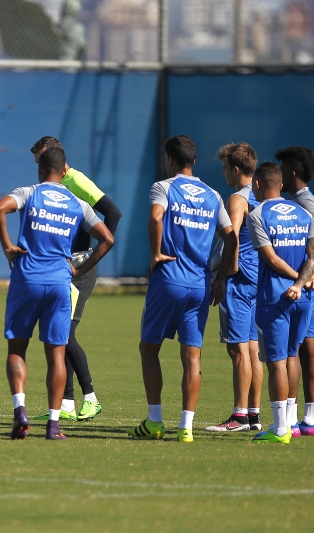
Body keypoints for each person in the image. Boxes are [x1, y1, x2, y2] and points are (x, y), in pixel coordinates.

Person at [0, 147, 114, 440]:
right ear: (63, 171)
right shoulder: (77, 203)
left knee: (17, 349)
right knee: (57, 354)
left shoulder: (30, 192)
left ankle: (20, 410)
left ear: (40, 169)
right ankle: (54, 425)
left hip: (27, 278)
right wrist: (80, 270)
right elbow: (107, 238)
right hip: (60, 282)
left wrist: (8, 247)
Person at [127, 134, 236, 443]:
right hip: (200, 285)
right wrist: (221, 278)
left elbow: (156, 216)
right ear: (194, 161)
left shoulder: (164, 187)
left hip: (168, 279)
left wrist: (155, 254)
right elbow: (231, 237)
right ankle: (186, 427)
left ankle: (155, 421)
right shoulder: (213, 195)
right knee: (192, 356)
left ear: (170, 160)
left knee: (149, 348)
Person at [28, 136, 122, 422]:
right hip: (61, 267)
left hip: (78, 268)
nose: (40, 168)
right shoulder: (51, 186)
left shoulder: (76, 181)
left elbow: (113, 213)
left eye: (42, 161)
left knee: (64, 334)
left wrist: (89, 256)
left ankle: (91, 398)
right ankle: (66, 404)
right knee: (59, 334)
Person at [247, 162, 314, 444]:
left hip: (275, 297)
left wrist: (295, 282)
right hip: (302, 298)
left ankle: (279, 430)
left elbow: (271, 259)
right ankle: (290, 421)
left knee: (276, 362)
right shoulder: (304, 213)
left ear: (257, 184)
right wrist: (303, 283)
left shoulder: (258, 214)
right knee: (292, 356)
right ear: (281, 184)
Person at [278, 146, 314, 438]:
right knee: (307, 348)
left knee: (291, 349)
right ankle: (311, 420)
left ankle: (289, 420)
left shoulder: (302, 200)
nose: (277, 174)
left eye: (281, 169)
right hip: (308, 286)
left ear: (291, 174)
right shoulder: (299, 199)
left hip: (304, 286)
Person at [205, 143, 264, 433]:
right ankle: (253, 414)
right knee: (253, 349)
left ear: (236, 169)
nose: (223, 173)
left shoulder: (237, 199)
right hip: (258, 280)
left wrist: (226, 275)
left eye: (225, 168)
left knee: (237, 348)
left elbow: (234, 238)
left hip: (239, 281)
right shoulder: (262, 196)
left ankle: (239, 416)